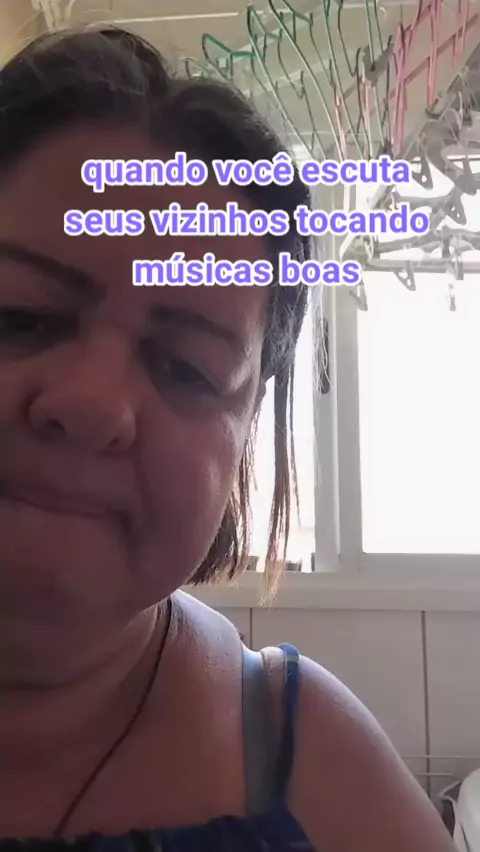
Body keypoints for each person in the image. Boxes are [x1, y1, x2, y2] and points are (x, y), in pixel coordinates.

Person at [0, 26, 454, 852]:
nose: (92, 404)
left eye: (185, 368)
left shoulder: (318, 776)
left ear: (246, 435)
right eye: (20, 316)